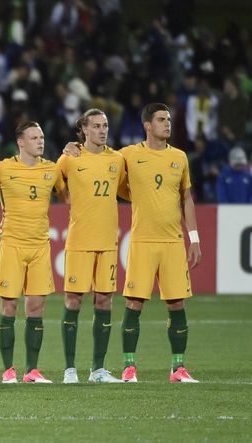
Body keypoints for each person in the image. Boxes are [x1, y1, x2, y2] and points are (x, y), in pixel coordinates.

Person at [116, 103, 201, 383]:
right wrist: (73, 149)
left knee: (177, 304)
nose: (167, 124)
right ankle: (129, 367)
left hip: (173, 242)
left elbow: (186, 198)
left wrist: (194, 238)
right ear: (147, 125)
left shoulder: (180, 157)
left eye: (169, 119)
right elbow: (101, 165)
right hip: (142, 241)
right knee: (134, 304)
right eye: (161, 119)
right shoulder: (129, 155)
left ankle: (178, 368)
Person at [0, 121, 66, 384]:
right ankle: (8, 370)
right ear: (21, 142)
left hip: (40, 245)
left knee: (36, 307)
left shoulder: (52, 170)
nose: (40, 141)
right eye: (34, 137)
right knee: (9, 305)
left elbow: (68, 197)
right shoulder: (2, 169)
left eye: (41, 137)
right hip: (12, 244)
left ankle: (32, 370)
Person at [56, 109, 126, 383]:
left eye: (105, 125)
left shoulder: (117, 159)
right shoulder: (70, 158)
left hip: (108, 241)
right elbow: (48, 179)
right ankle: (69, 369)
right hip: (80, 241)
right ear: (84, 129)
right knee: (74, 300)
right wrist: (65, 196)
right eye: (96, 126)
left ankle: (98, 369)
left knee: (105, 300)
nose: (102, 130)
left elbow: (125, 190)